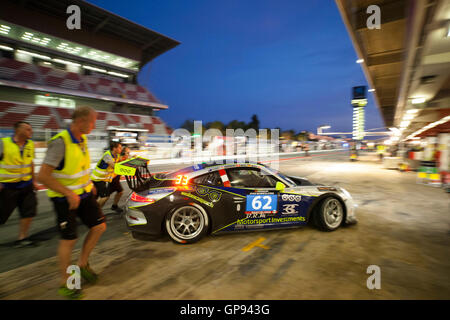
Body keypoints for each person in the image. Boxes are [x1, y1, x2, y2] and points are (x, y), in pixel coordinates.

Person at [37, 106, 106, 299]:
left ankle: (82, 264)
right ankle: (66, 282)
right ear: (82, 121)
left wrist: (90, 184)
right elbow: (42, 176)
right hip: (64, 199)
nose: (94, 125)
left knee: (99, 226)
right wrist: (67, 193)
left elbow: (80, 168)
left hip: (84, 195)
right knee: (69, 239)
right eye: (92, 121)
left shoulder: (82, 139)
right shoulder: (60, 143)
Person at [0, 121, 39, 247]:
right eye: (28, 129)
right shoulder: (3, 143)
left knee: (28, 211)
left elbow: (31, 163)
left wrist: (34, 181)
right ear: (18, 130)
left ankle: (22, 238)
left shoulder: (30, 144)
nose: (31, 131)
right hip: (7, 187)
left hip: (26, 186)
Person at [90, 141, 122, 209]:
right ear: (114, 148)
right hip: (98, 179)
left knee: (96, 197)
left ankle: (93, 211)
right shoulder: (107, 155)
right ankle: (96, 212)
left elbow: (121, 161)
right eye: (119, 148)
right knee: (104, 197)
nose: (121, 149)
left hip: (104, 179)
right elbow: (114, 166)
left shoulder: (117, 155)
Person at [107, 146, 130, 213]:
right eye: (127, 153)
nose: (128, 154)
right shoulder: (120, 158)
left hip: (115, 178)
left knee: (119, 192)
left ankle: (114, 206)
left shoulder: (123, 158)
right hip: (113, 178)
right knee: (105, 196)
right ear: (123, 153)